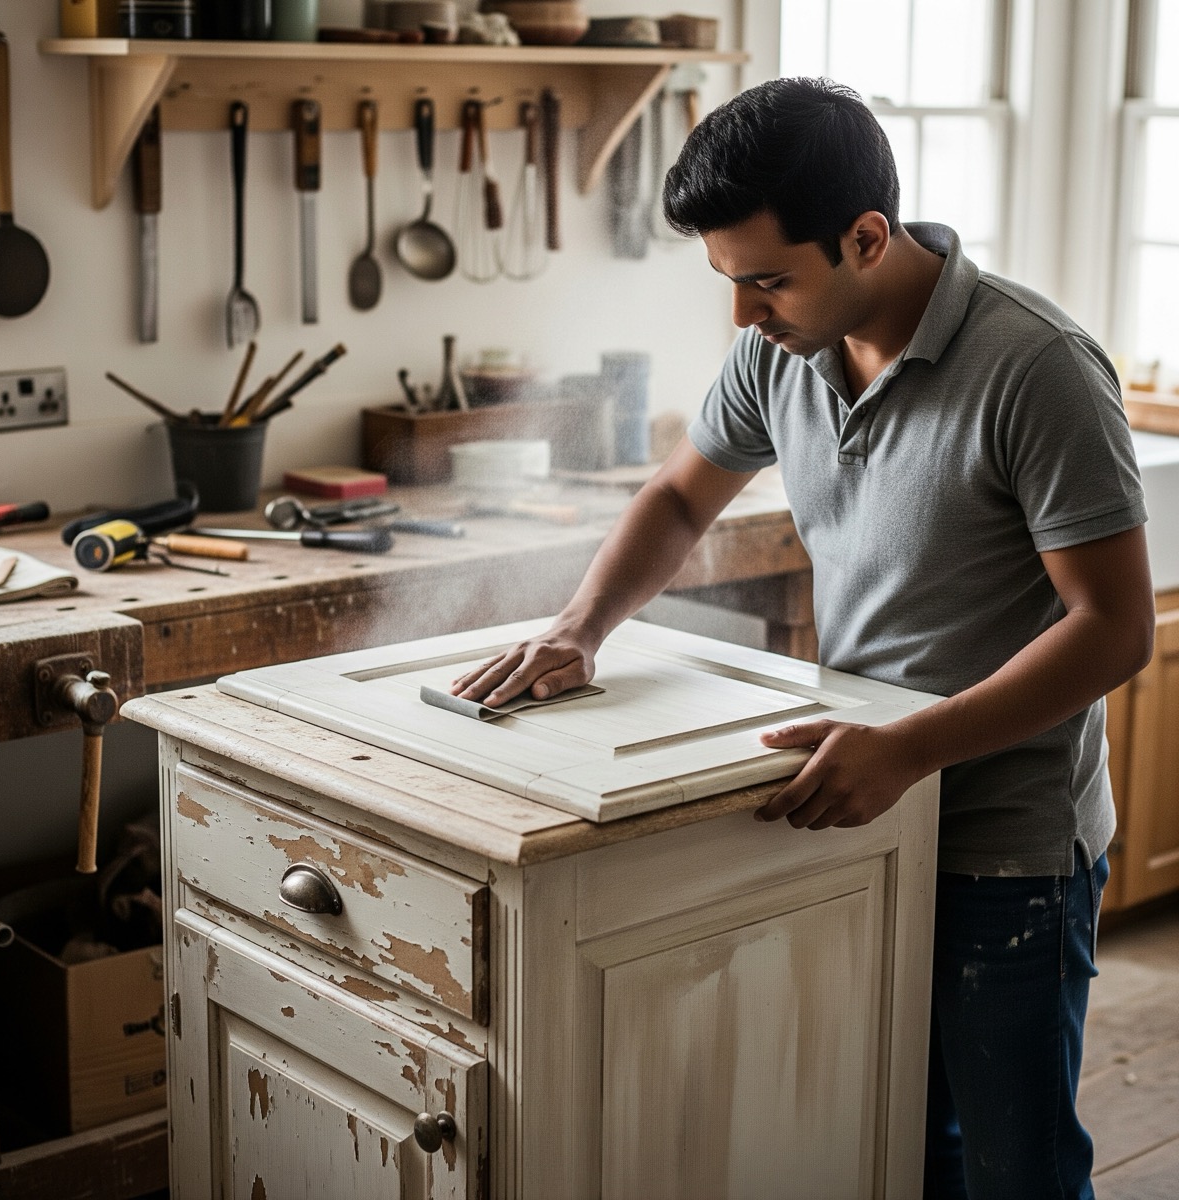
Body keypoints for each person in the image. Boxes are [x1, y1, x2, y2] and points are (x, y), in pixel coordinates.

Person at [451, 77, 1154, 1199]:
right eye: (730, 283)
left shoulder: (1038, 370)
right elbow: (681, 499)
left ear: (867, 238)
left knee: (1016, 1169)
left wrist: (912, 748)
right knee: (890, 1143)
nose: (745, 314)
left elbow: (1114, 632)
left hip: (1003, 841)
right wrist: (579, 628)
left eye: (768, 279)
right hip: (866, 807)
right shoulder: (780, 349)